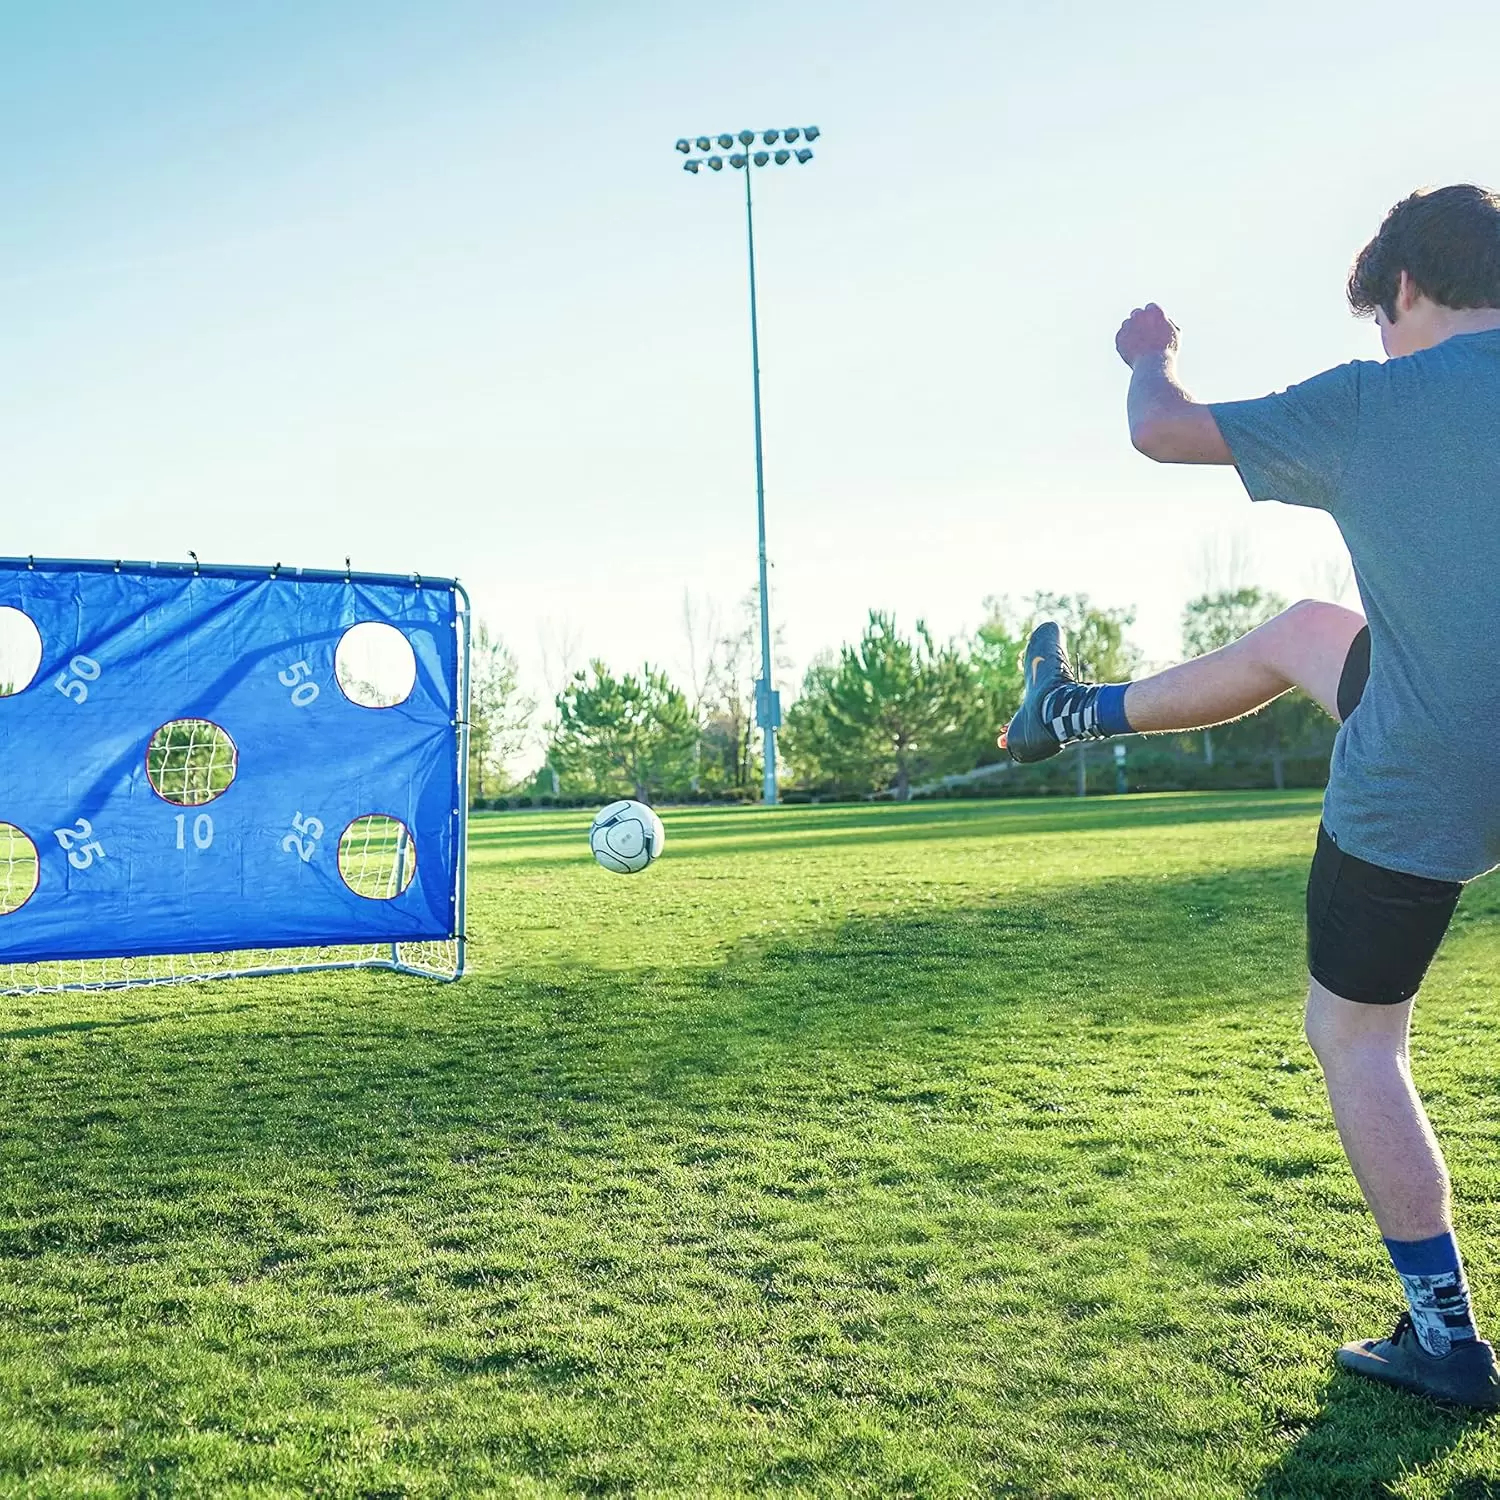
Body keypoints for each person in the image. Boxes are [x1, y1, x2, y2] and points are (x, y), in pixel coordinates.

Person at [1002, 184, 1500, 1408]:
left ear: (1404, 289)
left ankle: (1444, 1340)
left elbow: (1162, 430)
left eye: (1380, 320)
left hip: (1433, 771)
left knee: (1358, 1035)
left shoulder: (1372, 401)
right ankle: (1071, 711)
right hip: (1451, 723)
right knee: (1306, 633)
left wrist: (1150, 351)